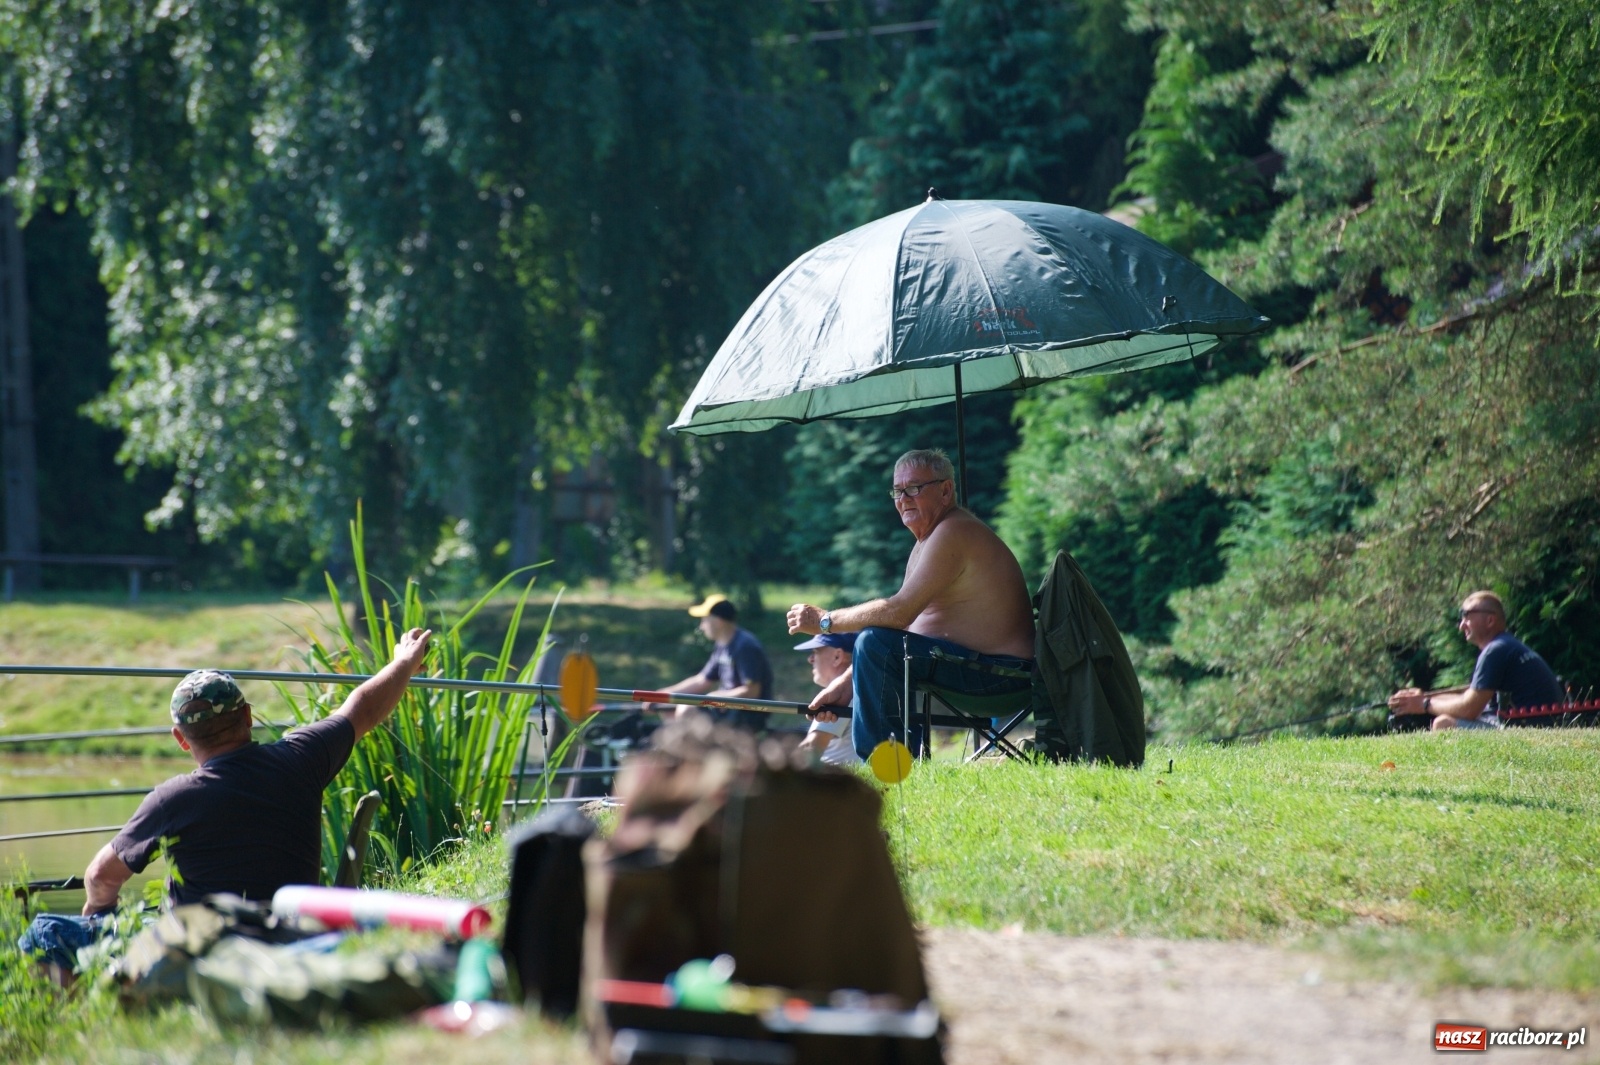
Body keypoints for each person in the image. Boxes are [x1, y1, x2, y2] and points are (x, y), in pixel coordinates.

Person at [17, 627, 433, 977]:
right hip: (285, 933)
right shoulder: (301, 758)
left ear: (181, 740)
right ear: (248, 716)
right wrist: (404, 662)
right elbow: (362, 708)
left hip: (196, 954)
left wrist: (101, 918)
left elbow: (101, 877)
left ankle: (95, 1018)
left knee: (42, 935)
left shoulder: (174, 799)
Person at [787, 448, 1034, 758]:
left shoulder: (954, 531)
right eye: (897, 490)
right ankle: (898, 765)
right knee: (880, 643)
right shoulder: (926, 541)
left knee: (876, 642)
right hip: (977, 669)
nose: (903, 498)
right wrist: (845, 684)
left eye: (914, 488)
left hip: (1004, 677)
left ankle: (886, 766)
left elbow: (897, 611)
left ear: (946, 491)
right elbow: (907, 625)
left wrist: (826, 620)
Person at [1388, 591, 1564, 730]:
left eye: (1467, 615)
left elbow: (1469, 709)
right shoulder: (1507, 645)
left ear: (1489, 620)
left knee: (1444, 724)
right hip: (1538, 726)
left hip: (1525, 730)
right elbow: (1470, 697)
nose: (1461, 625)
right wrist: (1423, 697)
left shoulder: (1495, 650)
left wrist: (1424, 704)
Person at [653, 594, 775, 731]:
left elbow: (752, 691)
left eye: (704, 620)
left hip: (747, 714)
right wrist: (663, 695)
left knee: (687, 709)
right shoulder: (723, 645)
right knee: (667, 708)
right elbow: (702, 680)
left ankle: (691, 750)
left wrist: (715, 697)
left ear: (718, 621)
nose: (701, 626)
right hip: (727, 708)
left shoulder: (745, 646)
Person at [792, 632, 862, 766]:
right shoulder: (857, 689)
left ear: (837, 656)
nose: (810, 659)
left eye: (816, 652)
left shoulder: (842, 696)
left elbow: (811, 747)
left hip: (837, 780)